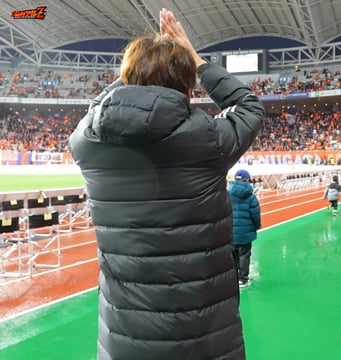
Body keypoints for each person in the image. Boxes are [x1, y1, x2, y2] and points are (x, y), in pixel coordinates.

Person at [68, 8, 264, 360]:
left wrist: (136, 72)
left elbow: (97, 108)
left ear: (126, 78)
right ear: (188, 87)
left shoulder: (87, 140)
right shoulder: (207, 137)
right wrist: (195, 58)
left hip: (123, 335)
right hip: (204, 335)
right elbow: (248, 105)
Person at [230, 169, 262, 289]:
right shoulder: (251, 197)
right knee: (244, 256)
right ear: (247, 180)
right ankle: (243, 279)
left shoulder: (228, 195)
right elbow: (255, 214)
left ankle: (234, 278)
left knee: (233, 256)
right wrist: (257, 226)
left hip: (231, 232)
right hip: (245, 233)